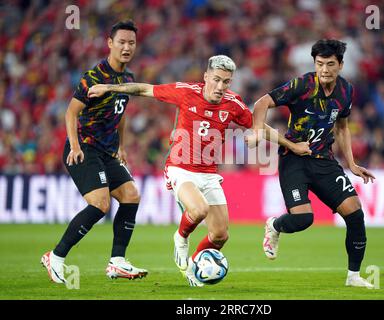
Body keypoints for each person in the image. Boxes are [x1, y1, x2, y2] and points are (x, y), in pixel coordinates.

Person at [88, 55, 304, 287]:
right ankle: (180, 239)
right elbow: (144, 89)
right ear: (206, 77)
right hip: (180, 169)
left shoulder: (233, 103)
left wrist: (290, 145)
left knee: (220, 235)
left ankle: (192, 266)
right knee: (199, 210)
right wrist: (108, 87)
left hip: (209, 173)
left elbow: (258, 125)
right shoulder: (186, 91)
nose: (221, 86)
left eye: (226, 82)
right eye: (217, 80)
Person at [249, 39, 376, 288]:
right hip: (293, 159)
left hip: (323, 161)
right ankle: (274, 225)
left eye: (330, 64)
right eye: (320, 64)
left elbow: (341, 127)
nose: (324, 70)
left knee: (356, 214)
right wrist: (256, 130)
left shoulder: (346, 91)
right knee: (303, 220)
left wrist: (351, 163)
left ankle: (353, 276)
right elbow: (261, 103)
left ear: (340, 65)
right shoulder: (303, 85)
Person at [41, 20, 148, 284]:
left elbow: (120, 114)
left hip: (108, 151)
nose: (126, 47)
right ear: (110, 43)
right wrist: (75, 145)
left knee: (131, 195)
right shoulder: (94, 76)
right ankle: (55, 256)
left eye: (131, 43)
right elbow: (71, 112)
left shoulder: (128, 79)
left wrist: (121, 145)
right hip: (84, 147)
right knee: (100, 204)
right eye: (121, 42)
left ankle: (117, 262)